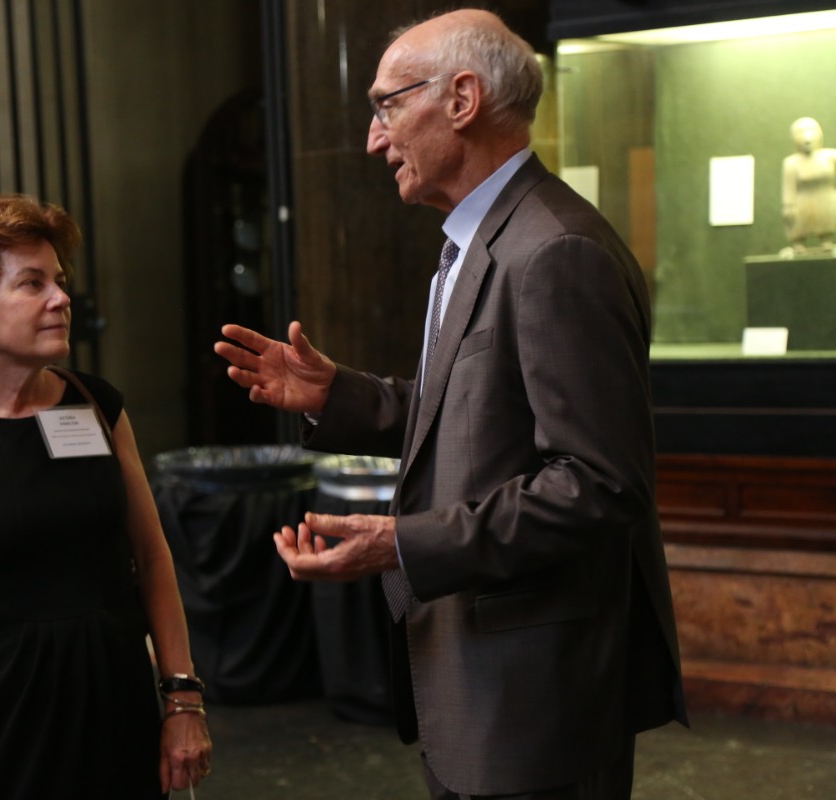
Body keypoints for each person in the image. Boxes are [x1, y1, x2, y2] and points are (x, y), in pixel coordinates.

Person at [214, 10, 687, 800]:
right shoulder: (484, 239)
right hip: (478, 686)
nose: (374, 138)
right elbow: (474, 417)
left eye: (387, 105)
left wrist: (407, 543)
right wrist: (339, 396)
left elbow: (600, 484)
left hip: (533, 702)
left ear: (463, 98)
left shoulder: (555, 251)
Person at [0, 194, 211, 799]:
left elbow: (154, 559)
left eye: (58, 280)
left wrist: (183, 698)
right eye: (31, 284)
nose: (60, 299)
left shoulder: (98, 407)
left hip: (116, 710)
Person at [781, 116, 836, 255]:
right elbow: (789, 187)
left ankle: (827, 241)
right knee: (798, 223)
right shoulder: (791, 163)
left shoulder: (830, 157)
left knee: (826, 221)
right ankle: (799, 243)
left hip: (827, 198)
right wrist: (788, 205)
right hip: (802, 201)